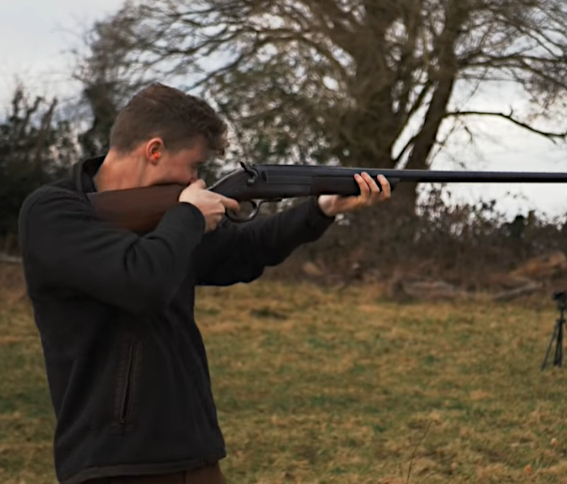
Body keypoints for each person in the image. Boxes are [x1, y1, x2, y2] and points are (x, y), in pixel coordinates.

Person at [17, 83, 391, 484]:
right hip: (113, 463)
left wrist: (321, 209)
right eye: (194, 166)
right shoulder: (54, 213)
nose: (197, 179)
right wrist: (188, 217)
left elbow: (244, 250)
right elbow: (141, 283)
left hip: (193, 455)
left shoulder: (169, 219)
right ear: (154, 150)